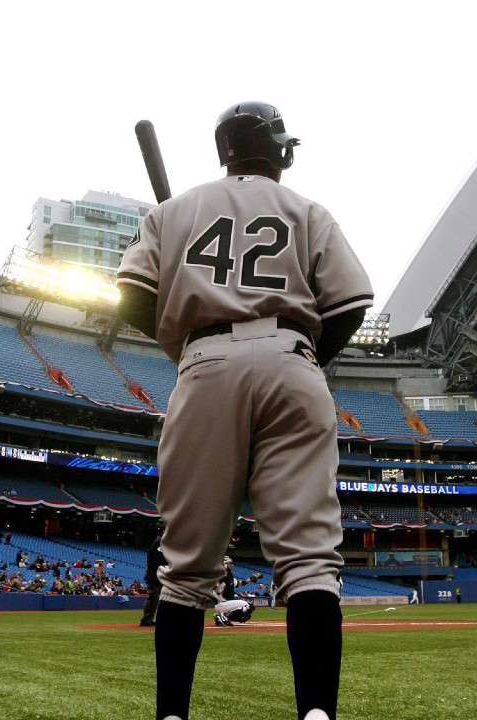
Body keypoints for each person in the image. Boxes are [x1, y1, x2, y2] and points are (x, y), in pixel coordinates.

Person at [116, 101, 371, 720]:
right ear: (278, 150)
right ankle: (316, 713)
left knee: (187, 566)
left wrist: (189, 338)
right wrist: (303, 357)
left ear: (223, 151)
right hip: (292, 359)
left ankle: (172, 714)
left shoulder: (172, 213)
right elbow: (348, 306)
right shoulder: (307, 210)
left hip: (204, 363)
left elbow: (130, 298)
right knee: (309, 556)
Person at [141, 533, 166, 627]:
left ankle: (149, 618)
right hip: (155, 576)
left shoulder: (159, 541)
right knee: (153, 598)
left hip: (157, 574)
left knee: (154, 598)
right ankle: (147, 619)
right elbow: (157, 559)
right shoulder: (159, 541)